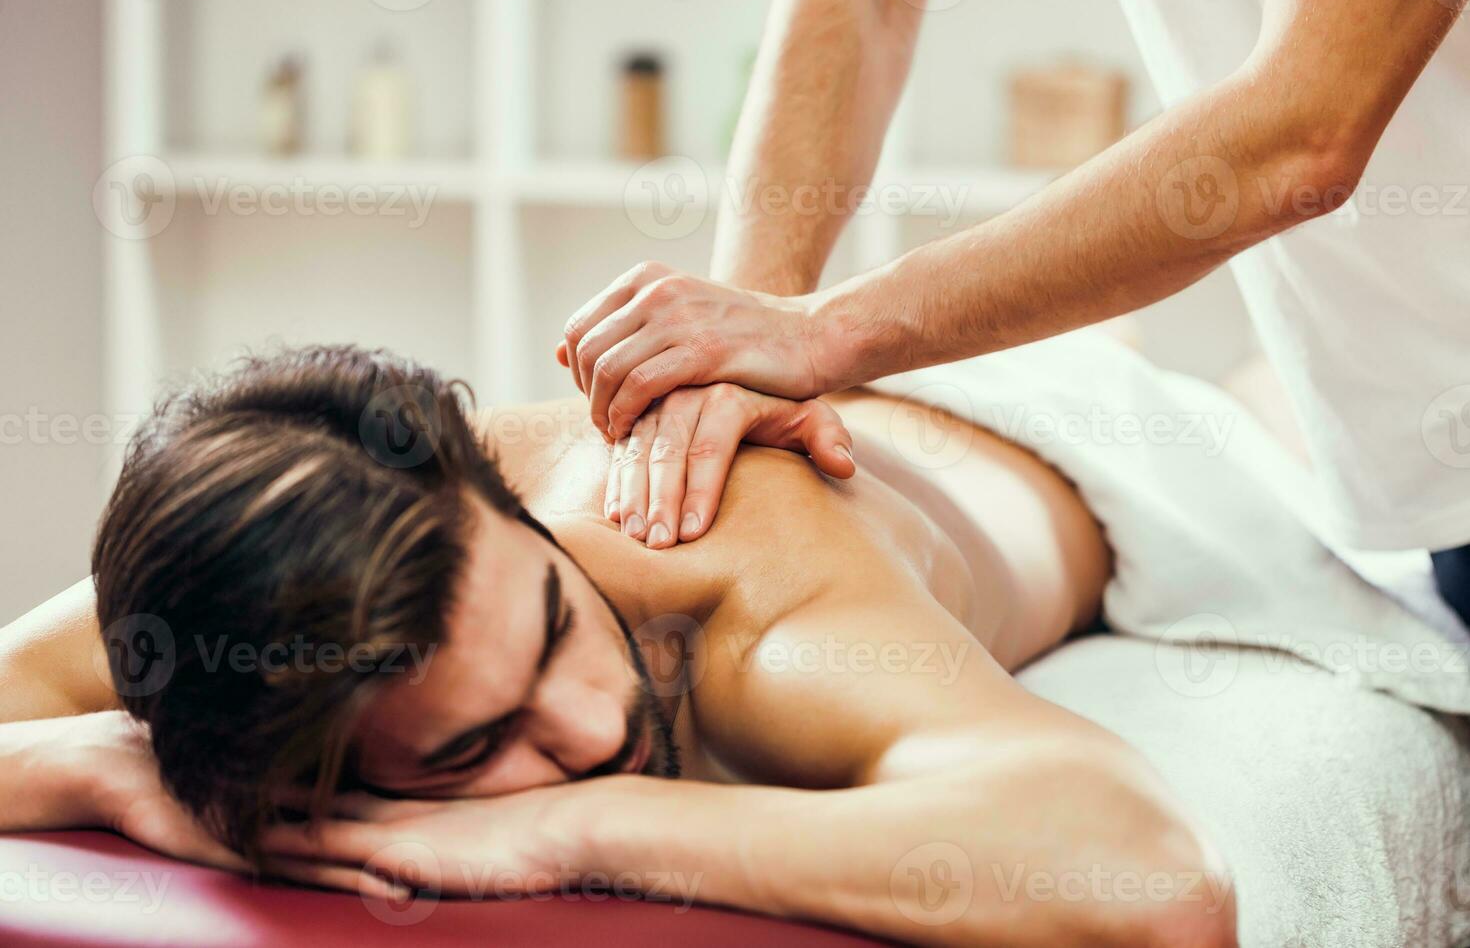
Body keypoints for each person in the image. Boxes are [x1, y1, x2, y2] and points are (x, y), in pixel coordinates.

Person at [0, 345, 1235, 947]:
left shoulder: (746, 610)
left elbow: (1161, 881)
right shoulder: (260, 599)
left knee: (1280, 421)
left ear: (504, 491)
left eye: (551, 624)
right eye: (471, 745)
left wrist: (568, 825)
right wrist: (101, 763)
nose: (595, 726)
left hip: (1126, 460)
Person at [559, 0, 1470, 618]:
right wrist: (743, 343)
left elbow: (1303, 133)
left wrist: (817, 334)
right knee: (1224, 412)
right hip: (1425, 454)